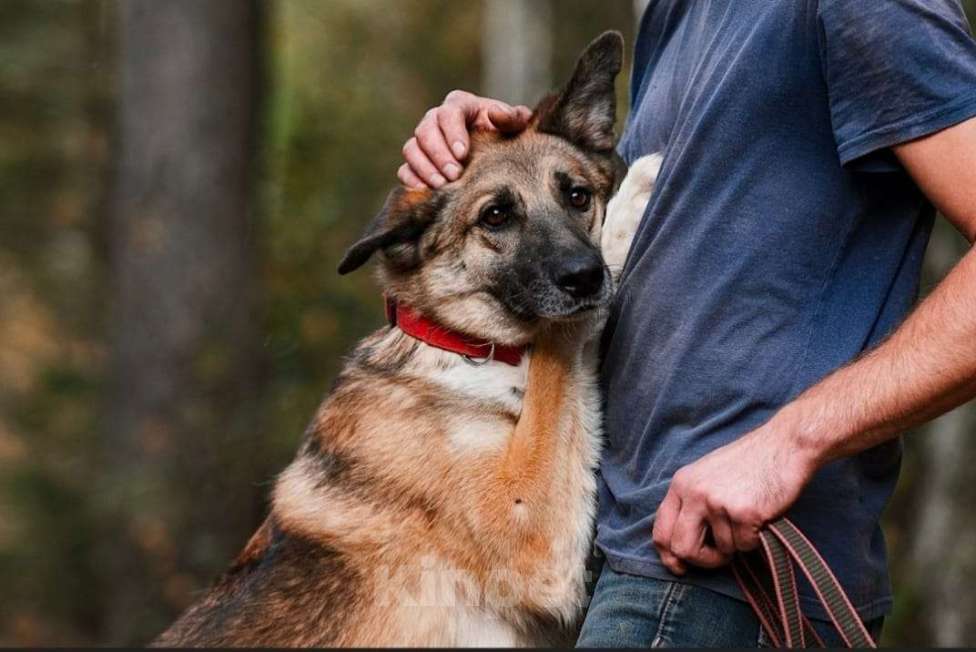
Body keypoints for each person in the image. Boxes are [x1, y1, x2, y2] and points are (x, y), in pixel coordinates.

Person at [399, 0, 976, 647]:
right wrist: (494, 152)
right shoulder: (675, 15)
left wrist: (790, 442)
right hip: (621, 557)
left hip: (729, 571)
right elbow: (627, 262)